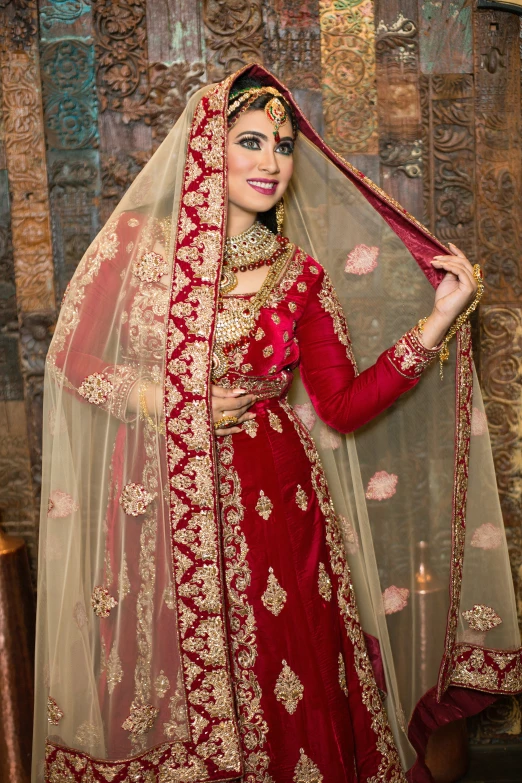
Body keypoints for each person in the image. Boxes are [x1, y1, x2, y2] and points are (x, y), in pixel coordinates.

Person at [34, 65, 522, 783]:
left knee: (280, 671)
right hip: (159, 499)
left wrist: (440, 318)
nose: (270, 162)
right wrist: (169, 400)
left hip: (276, 505)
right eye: (252, 141)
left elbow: (344, 404)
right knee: (160, 672)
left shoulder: (300, 274)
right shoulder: (140, 245)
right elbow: (72, 358)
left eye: (284, 146)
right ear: (209, 145)